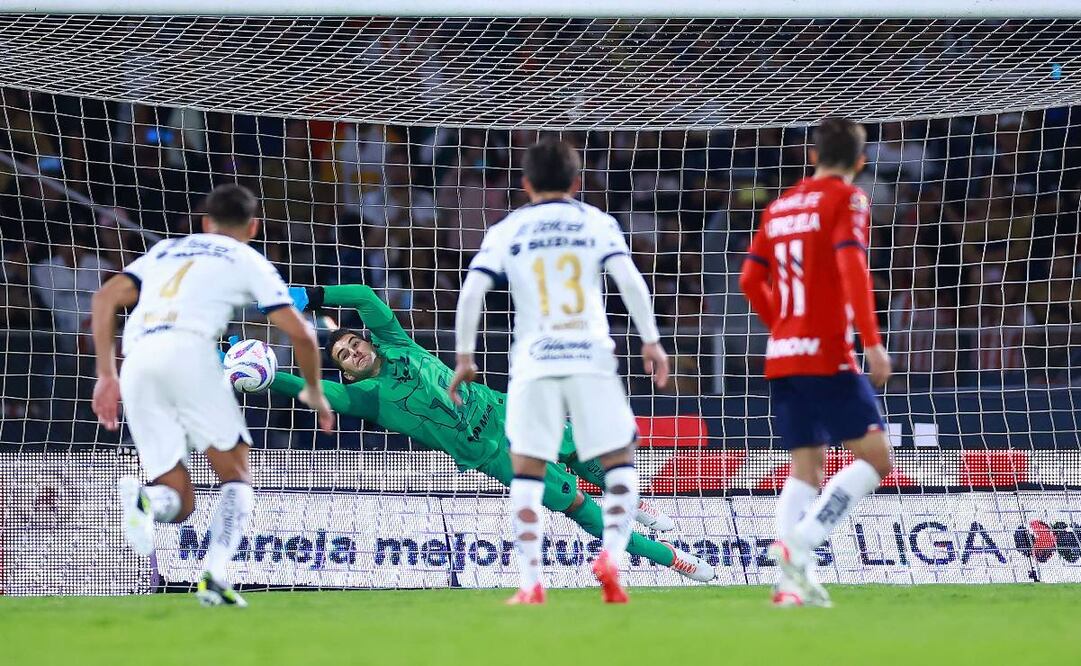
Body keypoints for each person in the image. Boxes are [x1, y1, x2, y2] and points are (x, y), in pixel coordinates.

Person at [241, 284, 711, 587]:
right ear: (345, 371)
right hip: (490, 454)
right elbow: (315, 391)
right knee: (578, 507)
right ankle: (674, 559)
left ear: (368, 340)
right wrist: (268, 379)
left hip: (505, 411)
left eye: (354, 343)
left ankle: (636, 506)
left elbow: (364, 296)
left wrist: (311, 296)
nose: (353, 351)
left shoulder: (397, 342)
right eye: (344, 355)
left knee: (587, 454)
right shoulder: (365, 398)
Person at [90, 184, 335, 607]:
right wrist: (314, 391)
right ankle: (215, 575)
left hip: (138, 361)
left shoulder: (166, 250)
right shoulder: (246, 258)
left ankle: (148, 500)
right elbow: (303, 334)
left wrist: (106, 375)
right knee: (237, 476)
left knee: (180, 501)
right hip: (190, 353)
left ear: (205, 222)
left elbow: (104, 297)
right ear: (253, 227)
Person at [450, 140, 671, 605]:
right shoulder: (597, 222)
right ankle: (612, 555)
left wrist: (465, 356)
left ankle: (531, 581)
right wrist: (651, 339)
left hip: (534, 360)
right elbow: (630, 280)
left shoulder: (508, 228)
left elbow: (471, 291)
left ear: (525, 183)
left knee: (527, 470)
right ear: (576, 182)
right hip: (590, 355)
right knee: (619, 461)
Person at [739, 117, 893, 608]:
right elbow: (853, 266)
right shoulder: (848, 199)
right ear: (860, 162)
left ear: (812, 155)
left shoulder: (780, 205)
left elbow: (749, 279)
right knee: (877, 459)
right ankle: (801, 543)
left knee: (805, 468)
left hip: (783, 355)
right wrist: (872, 342)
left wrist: (782, 326)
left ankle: (790, 585)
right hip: (826, 352)